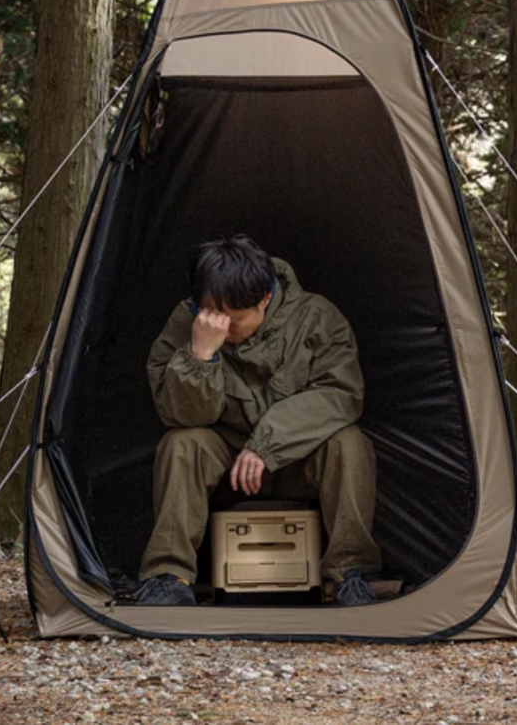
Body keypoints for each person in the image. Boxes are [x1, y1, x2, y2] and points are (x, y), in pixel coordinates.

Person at [136, 235, 382, 606]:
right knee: (181, 443)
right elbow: (182, 415)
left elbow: (340, 395)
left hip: (297, 460)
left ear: (264, 299)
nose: (220, 326)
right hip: (225, 464)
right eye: (210, 313)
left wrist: (266, 445)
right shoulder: (187, 321)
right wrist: (200, 355)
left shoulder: (317, 318)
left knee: (350, 444)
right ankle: (169, 576)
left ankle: (350, 573)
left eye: (232, 320)